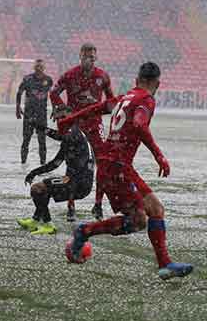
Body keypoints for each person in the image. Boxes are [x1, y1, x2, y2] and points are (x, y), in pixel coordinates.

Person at [59, 62, 193, 280]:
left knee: (155, 210)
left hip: (116, 165)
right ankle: (84, 231)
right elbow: (140, 125)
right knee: (138, 220)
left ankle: (165, 265)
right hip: (117, 167)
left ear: (136, 80)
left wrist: (68, 119)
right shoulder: (146, 100)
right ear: (157, 84)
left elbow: (97, 109)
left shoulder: (125, 97)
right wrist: (159, 155)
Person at [49, 43, 114, 221]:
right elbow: (53, 93)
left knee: (103, 163)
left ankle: (98, 204)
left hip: (94, 125)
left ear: (96, 58)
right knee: (73, 166)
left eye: (92, 57)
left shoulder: (102, 76)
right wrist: (61, 108)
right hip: (75, 126)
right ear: (80, 56)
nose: (89, 60)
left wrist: (102, 109)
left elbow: (111, 102)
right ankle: (71, 206)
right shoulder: (70, 75)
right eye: (86, 56)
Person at [17, 105, 95, 234]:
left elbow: (60, 136)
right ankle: (36, 220)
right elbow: (55, 163)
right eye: (58, 119)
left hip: (80, 182)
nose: (61, 122)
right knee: (43, 189)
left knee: (37, 189)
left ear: (72, 117)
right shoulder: (69, 140)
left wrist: (36, 125)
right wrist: (33, 172)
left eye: (64, 118)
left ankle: (48, 225)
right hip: (76, 181)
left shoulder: (74, 132)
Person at [16, 59, 54, 165]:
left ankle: (43, 164)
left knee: (42, 141)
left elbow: (53, 95)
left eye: (41, 67)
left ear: (44, 68)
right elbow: (19, 92)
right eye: (37, 67)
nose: (39, 69)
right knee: (26, 139)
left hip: (42, 114)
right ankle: (23, 163)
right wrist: (18, 108)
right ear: (34, 67)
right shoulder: (27, 79)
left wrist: (55, 109)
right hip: (29, 114)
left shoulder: (48, 80)